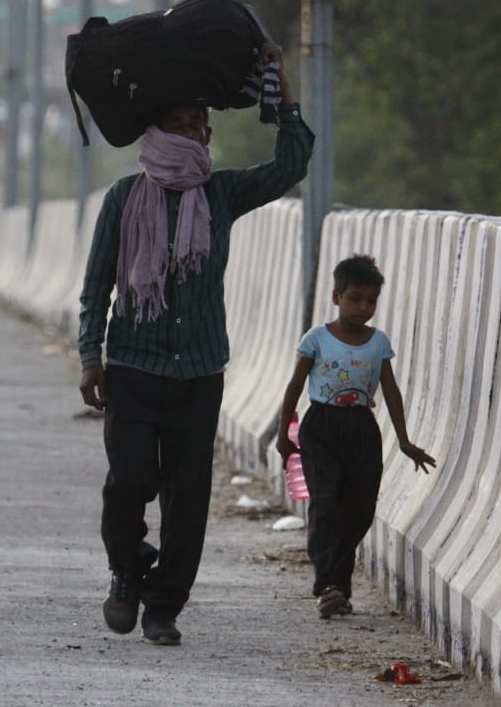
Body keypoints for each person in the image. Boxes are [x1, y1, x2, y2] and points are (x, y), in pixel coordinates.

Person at [78, 43, 314, 645]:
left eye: (196, 127)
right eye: (176, 126)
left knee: (188, 500)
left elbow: (289, 167)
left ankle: (164, 605)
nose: (188, 136)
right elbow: (97, 283)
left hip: (200, 370)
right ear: (154, 133)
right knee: (126, 483)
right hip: (132, 364)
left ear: (208, 136)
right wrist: (89, 356)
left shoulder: (221, 194)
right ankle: (127, 569)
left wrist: (281, 91)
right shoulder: (123, 199)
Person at [276, 254, 436, 619]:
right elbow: (295, 385)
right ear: (336, 297)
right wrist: (284, 432)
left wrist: (404, 439)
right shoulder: (317, 339)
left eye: (371, 300)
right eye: (354, 298)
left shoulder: (378, 343)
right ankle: (327, 584)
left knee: (360, 510)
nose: (363, 307)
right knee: (326, 502)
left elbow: (390, 390)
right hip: (321, 428)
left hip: (362, 430)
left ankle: (338, 586)